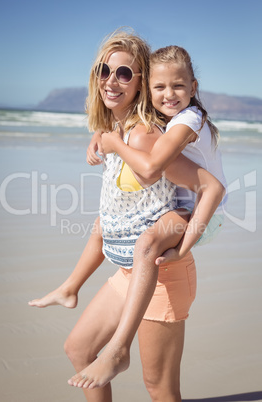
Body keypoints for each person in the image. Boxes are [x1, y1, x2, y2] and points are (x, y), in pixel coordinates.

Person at [29, 30, 225, 401]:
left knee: (161, 391)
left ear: (140, 84)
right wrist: (105, 136)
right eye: (105, 70)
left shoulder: (144, 138)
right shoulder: (118, 131)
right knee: (80, 350)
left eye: (124, 73)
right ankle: (71, 290)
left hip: (163, 273)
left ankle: (118, 351)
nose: (111, 80)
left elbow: (202, 183)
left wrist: (185, 245)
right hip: (132, 271)